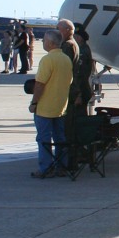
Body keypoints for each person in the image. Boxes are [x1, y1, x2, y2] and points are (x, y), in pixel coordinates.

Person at [29, 30, 74, 178]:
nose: (42, 43)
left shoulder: (48, 60)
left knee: (44, 139)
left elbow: (40, 84)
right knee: (60, 138)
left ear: (50, 43)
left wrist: (34, 102)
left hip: (46, 107)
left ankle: (45, 168)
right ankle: (61, 166)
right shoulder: (66, 59)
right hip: (61, 106)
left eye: (44, 41)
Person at [68, 23, 96, 120]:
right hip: (80, 90)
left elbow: (80, 74)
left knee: (77, 120)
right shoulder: (81, 49)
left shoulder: (82, 52)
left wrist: (78, 95)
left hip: (79, 91)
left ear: (79, 37)